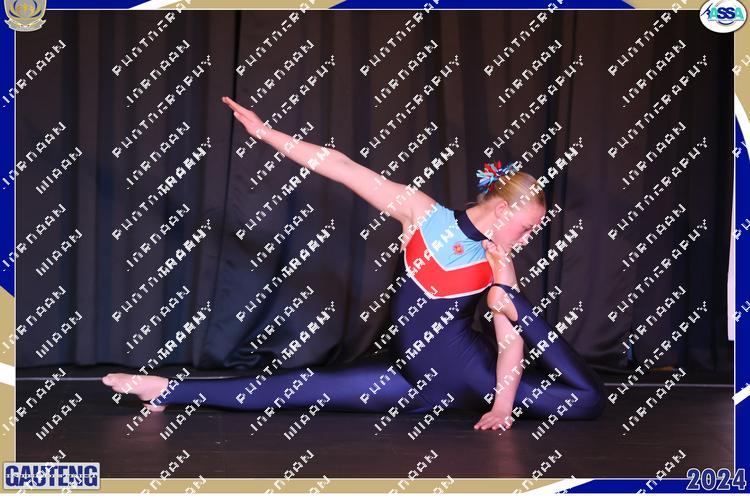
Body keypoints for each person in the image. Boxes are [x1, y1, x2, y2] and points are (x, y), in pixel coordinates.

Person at [102, 96, 605, 431]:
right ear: (504, 210)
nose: (530, 238)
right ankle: (165, 388)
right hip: (410, 380)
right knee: (297, 389)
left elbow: (510, 345)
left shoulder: (501, 264)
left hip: (472, 380)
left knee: (585, 401)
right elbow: (343, 167)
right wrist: (267, 134)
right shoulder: (421, 214)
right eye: (528, 226)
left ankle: (513, 376)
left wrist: (501, 407)